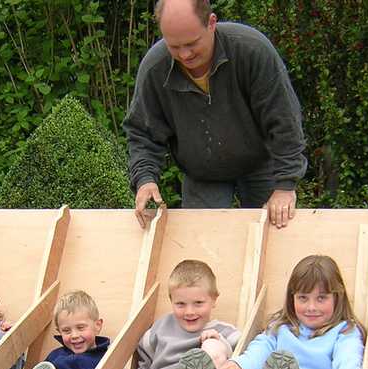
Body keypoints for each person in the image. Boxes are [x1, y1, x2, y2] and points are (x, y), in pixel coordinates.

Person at [123, 0, 307, 229]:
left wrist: (285, 185)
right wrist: (145, 179)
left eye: (191, 43)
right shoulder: (155, 68)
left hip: (261, 163)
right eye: (174, 46)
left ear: (211, 23)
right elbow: (143, 132)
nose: (184, 54)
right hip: (203, 174)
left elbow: (284, 118)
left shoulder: (252, 50)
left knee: (277, 234)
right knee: (202, 247)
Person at [177, 255, 368, 369]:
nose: (311, 307)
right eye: (303, 298)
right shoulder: (281, 329)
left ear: (337, 297)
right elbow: (258, 352)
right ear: (292, 298)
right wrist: (240, 368)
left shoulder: (344, 333)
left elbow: (346, 363)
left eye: (321, 298)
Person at [105, 259, 240, 369]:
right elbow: (145, 366)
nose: (189, 311)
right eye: (180, 304)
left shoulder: (224, 332)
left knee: (212, 346)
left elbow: (240, 360)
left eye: (198, 303)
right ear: (171, 301)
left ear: (214, 300)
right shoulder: (160, 328)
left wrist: (219, 341)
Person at [24, 290, 122, 369]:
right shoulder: (55, 356)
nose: (74, 335)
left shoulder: (108, 359)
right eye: (66, 331)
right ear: (59, 332)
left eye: (80, 328)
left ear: (97, 325)